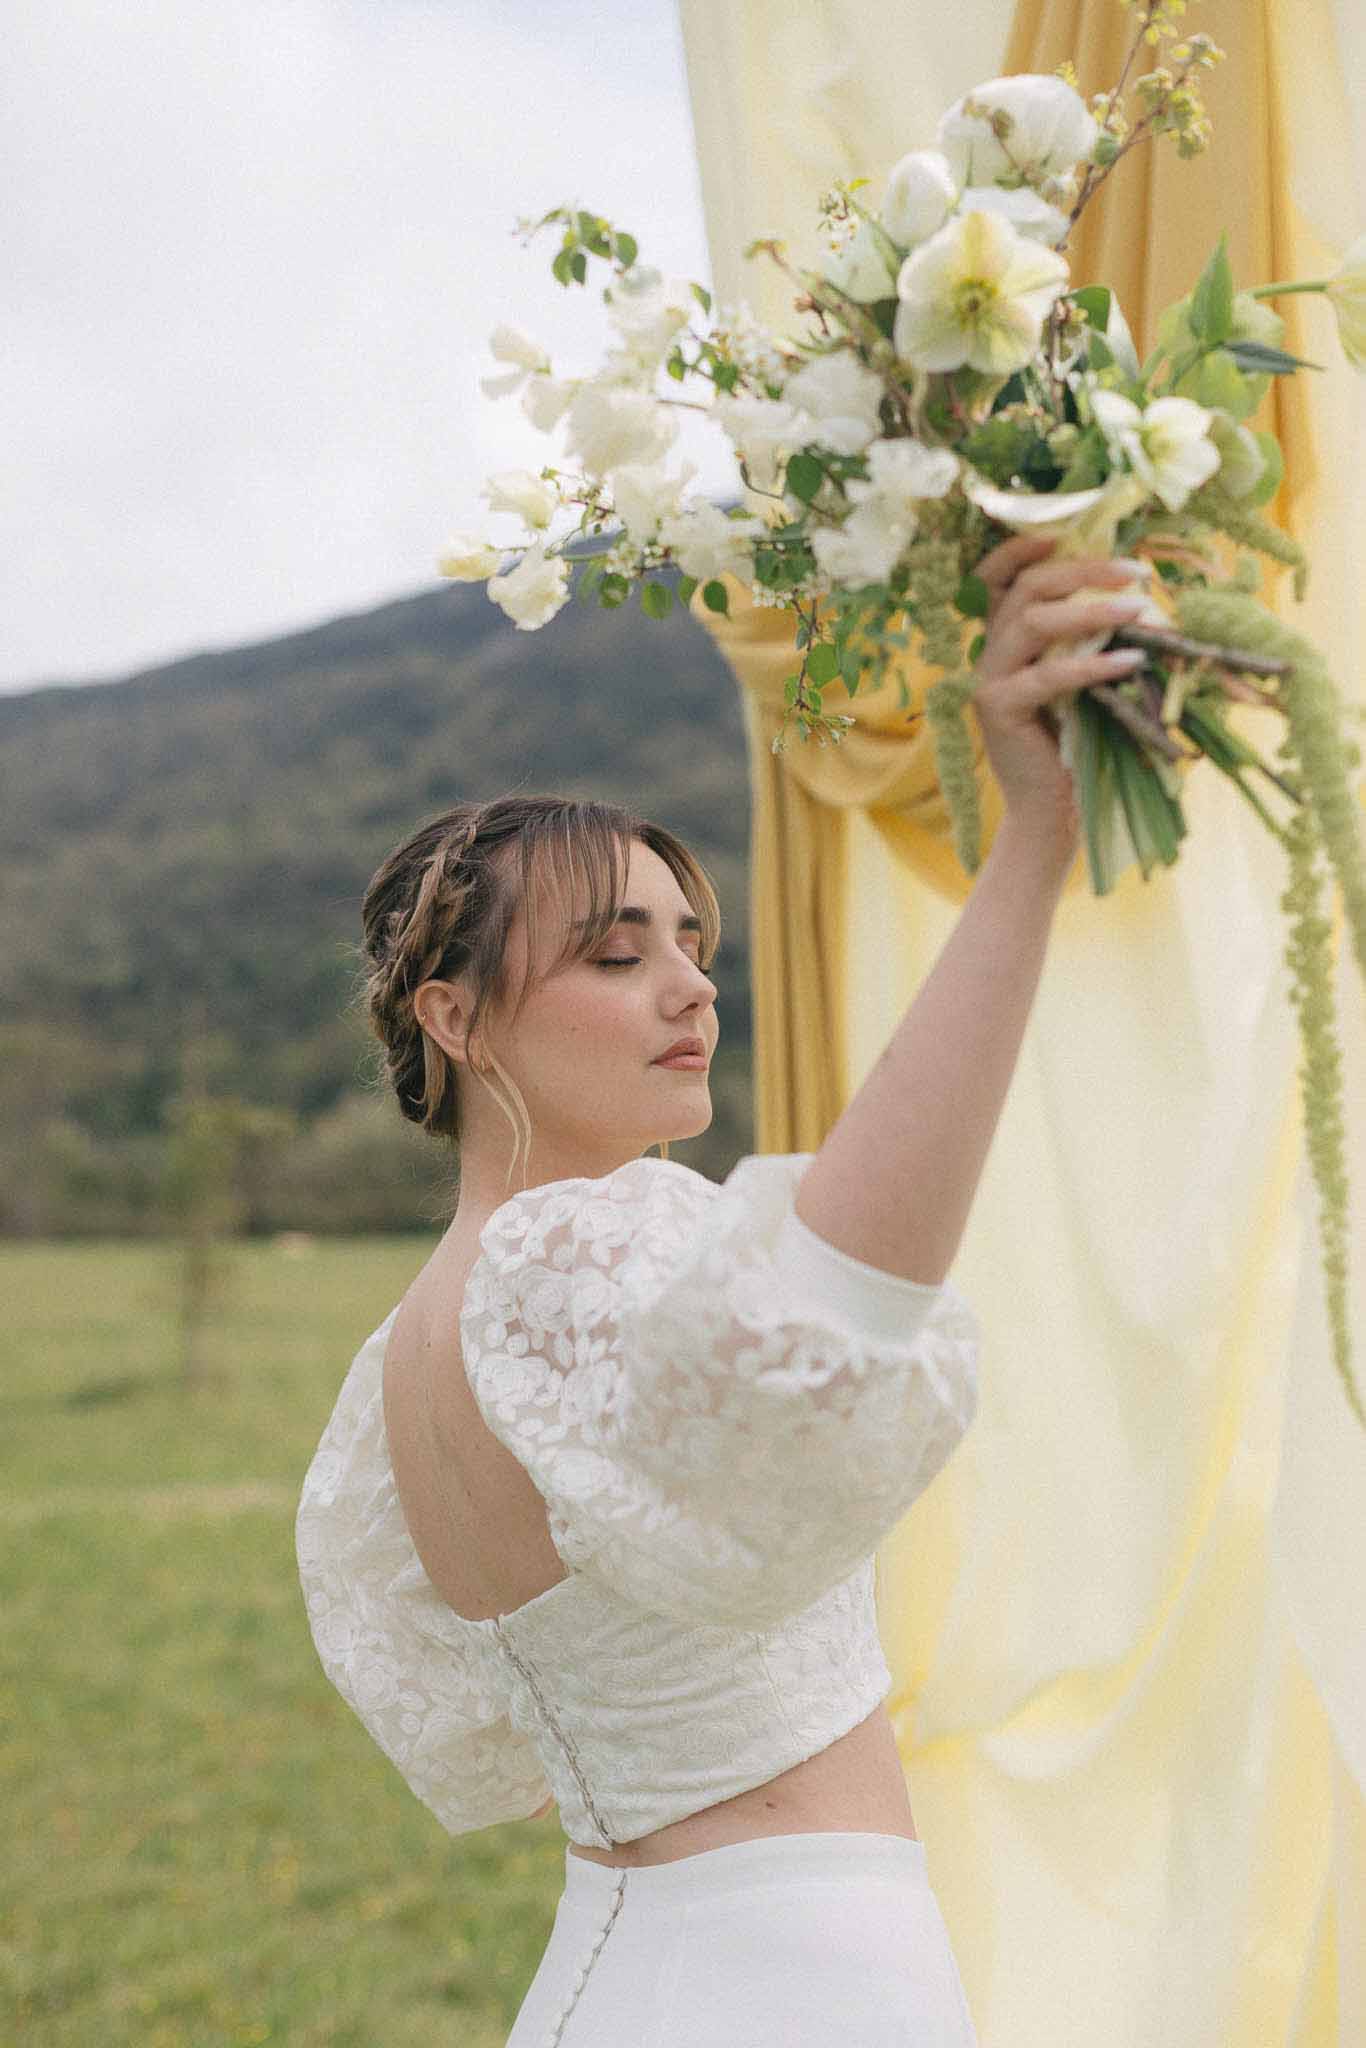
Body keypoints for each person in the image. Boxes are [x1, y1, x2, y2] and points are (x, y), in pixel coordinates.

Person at [294, 534, 1153, 2045]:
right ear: (453, 1015)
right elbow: (837, 1314)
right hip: (785, 1982)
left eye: (691, 944)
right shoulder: (566, 1254)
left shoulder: (409, 1354)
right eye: (616, 956)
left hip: (643, 1959)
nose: (692, 986)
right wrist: (1030, 848)